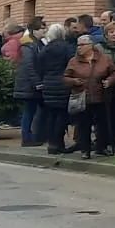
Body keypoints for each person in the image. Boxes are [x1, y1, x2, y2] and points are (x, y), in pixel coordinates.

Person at [64, 37, 115, 159]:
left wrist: (109, 81)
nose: (79, 47)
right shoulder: (73, 61)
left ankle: (101, 147)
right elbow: (65, 77)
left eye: (82, 45)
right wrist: (74, 81)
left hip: (100, 96)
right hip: (82, 97)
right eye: (78, 45)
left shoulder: (104, 59)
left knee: (102, 124)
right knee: (83, 125)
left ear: (91, 45)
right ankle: (85, 150)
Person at [35, 24, 76, 152]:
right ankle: (58, 143)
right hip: (63, 84)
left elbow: (38, 66)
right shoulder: (67, 48)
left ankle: (52, 143)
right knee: (61, 115)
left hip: (48, 84)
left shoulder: (45, 49)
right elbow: (71, 65)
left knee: (51, 115)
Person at [13, 21, 44, 147]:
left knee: (31, 110)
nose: (44, 31)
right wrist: (37, 82)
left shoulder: (36, 44)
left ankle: (30, 136)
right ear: (34, 30)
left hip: (29, 83)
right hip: (28, 85)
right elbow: (29, 65)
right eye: (41, 28)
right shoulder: (28, 45)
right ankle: (26, 137)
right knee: (29, 111)